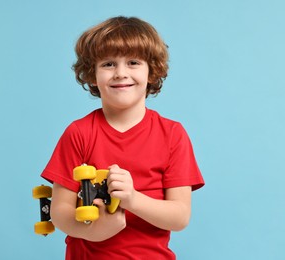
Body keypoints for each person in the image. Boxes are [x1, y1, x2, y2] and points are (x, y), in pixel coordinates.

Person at [41, 16, 204, 259]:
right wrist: (96, 231)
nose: (120, 73)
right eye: (108, 64)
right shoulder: (79, 133)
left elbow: (180, 216)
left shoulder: (172, 135)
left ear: (152, 72)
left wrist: (132, 199)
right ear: (92, 75)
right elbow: (60, 211)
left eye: (133, 62)